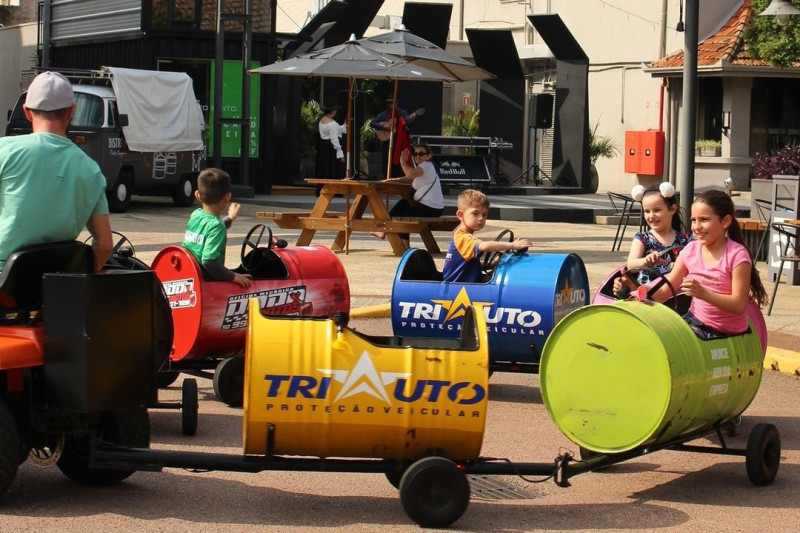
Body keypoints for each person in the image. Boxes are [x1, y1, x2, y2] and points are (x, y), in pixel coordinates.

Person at [0, 71, 113, 273]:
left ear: (26, 112)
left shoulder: (5, 151)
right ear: (71, 111)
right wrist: (79, 280)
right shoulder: (90, 169)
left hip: (5, 287)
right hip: (57, 288)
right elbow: (104, 245)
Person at [619, 189, 768, 339]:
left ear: (725, 221)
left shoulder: (737, 255)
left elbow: (739, 305)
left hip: (725, 331)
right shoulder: (690, 250)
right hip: (695, 322)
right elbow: (664, 293)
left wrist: (703, 294)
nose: (696, 227)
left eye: (704, 220)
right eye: (693, 220)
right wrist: (634, 289)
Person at [442, 189, 532, 283]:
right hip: (458, 290)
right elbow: (484, 246)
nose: (481, 218)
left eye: (484, 214)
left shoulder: (465, 237)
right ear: (460, 215)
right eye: (475, 214)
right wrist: (512, 245)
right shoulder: (463, 238)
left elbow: (466, 266)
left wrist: (491, 264)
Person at [182, 168, 252, 288]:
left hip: (188, 272)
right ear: (227, 197)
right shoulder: (217, 226)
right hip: (206, 280)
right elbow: (208, 262)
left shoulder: (196, 214)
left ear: (197, 195)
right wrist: (233, 276)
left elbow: (211, 230)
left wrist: (229, 218)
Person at [370, 144, 444, 249]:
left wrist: (402, 162)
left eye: (421, 154)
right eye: (415, 154)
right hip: (434, 208)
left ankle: (396, 240)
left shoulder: (425, 165)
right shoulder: (426, 168)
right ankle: (385, 232)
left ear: (428, 156)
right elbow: (410, 178)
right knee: (403, 204)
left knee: (403, 216)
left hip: (430, 208)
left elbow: (410, 175)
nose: (418, 156)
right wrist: (395, 180)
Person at [624, 182, 691, 285]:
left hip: (677, 295)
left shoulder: (686, 240)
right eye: (647, 211)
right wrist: (645, 261)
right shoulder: (642, 239)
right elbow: (631, 266)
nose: (651, 216)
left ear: (672, 209)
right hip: (648, 296)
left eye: (657, 210)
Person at [370, 99, 422, 178]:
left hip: (400, 141)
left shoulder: (402, 112)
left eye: (395, 103)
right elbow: (373, 123)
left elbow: (407, 124)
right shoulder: (384, 114)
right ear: (387, 104)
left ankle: (400, 177)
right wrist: (384, 127)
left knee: (399, 162)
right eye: (391, 103)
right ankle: (387, 177)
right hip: (388, 142)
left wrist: (411, 119)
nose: (394, 104)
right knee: (387, 162)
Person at [314, 104, 345, 181]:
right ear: (333, 111)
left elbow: (328, 131)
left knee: (325, 168)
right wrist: (340, 154)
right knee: (332, 168)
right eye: (335, 110)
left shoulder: (322, 120)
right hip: (331, 149)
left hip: (324, 147)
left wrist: (342, 127)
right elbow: (334, 139)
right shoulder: (332, 123)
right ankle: (334, 190)